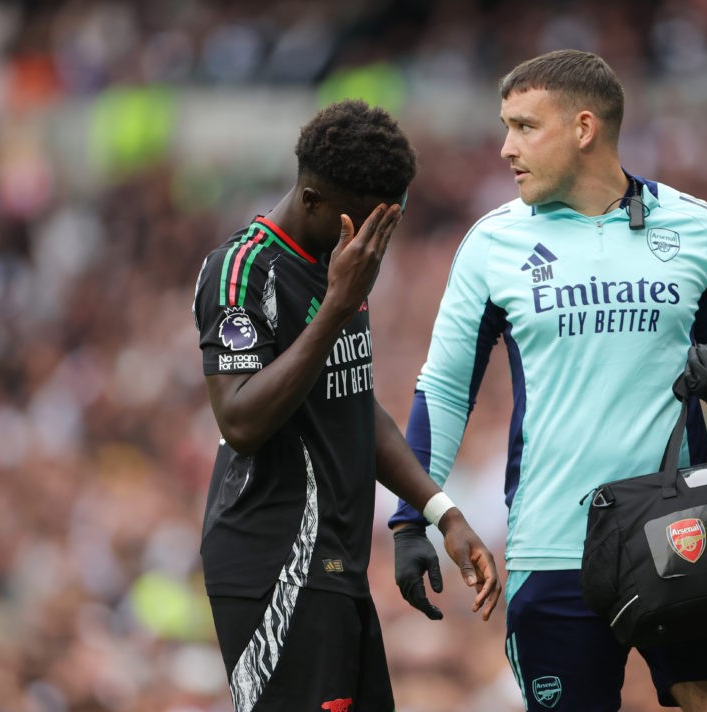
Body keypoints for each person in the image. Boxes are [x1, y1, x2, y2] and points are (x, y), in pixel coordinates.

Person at [389, 50, 707, 711]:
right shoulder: (491, 246)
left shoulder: (699, 230)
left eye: (525, 126)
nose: (507, 148)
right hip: (556, 549)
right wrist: (409, 521)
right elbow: (445, 389)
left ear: (585, 128)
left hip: (686, 535)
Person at [192, 99, 501, 712]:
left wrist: (441, 512)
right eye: (364, 222)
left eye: (389, 223)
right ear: (311, 200)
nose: (375, 241)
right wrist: (336, 306)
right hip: (272, 564)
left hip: (335, 564)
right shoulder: (244, 270)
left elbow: (356, 406)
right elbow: (241, 420)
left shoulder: (339, 263)